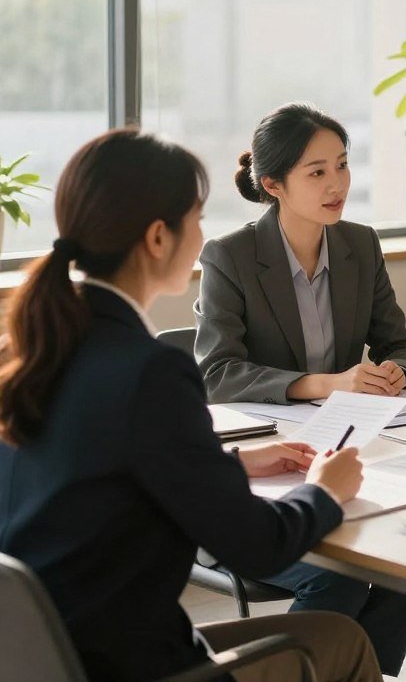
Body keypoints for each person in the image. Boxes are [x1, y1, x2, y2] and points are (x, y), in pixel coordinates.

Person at [0, 129, 379, 682]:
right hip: (135, 667)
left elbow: (97, 470)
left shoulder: (35, 346)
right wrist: (324, 491)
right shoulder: (149, 369)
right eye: (196, 218)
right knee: (340, 641)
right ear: (158, 237)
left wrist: (226, 463)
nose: (202, 235)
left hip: (55, 655)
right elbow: (259, 546)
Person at [194, 101, 406, 674]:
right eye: (316, 172)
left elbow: (402, 344)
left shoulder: (360, 245)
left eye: (342, 165)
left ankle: (358, 672)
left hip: (349, 454)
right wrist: (325, 383)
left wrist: (398, 370)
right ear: (274, 184)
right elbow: (217, 373)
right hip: (264, 475)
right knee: (337, 578)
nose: (336, 184)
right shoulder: (231, 256)